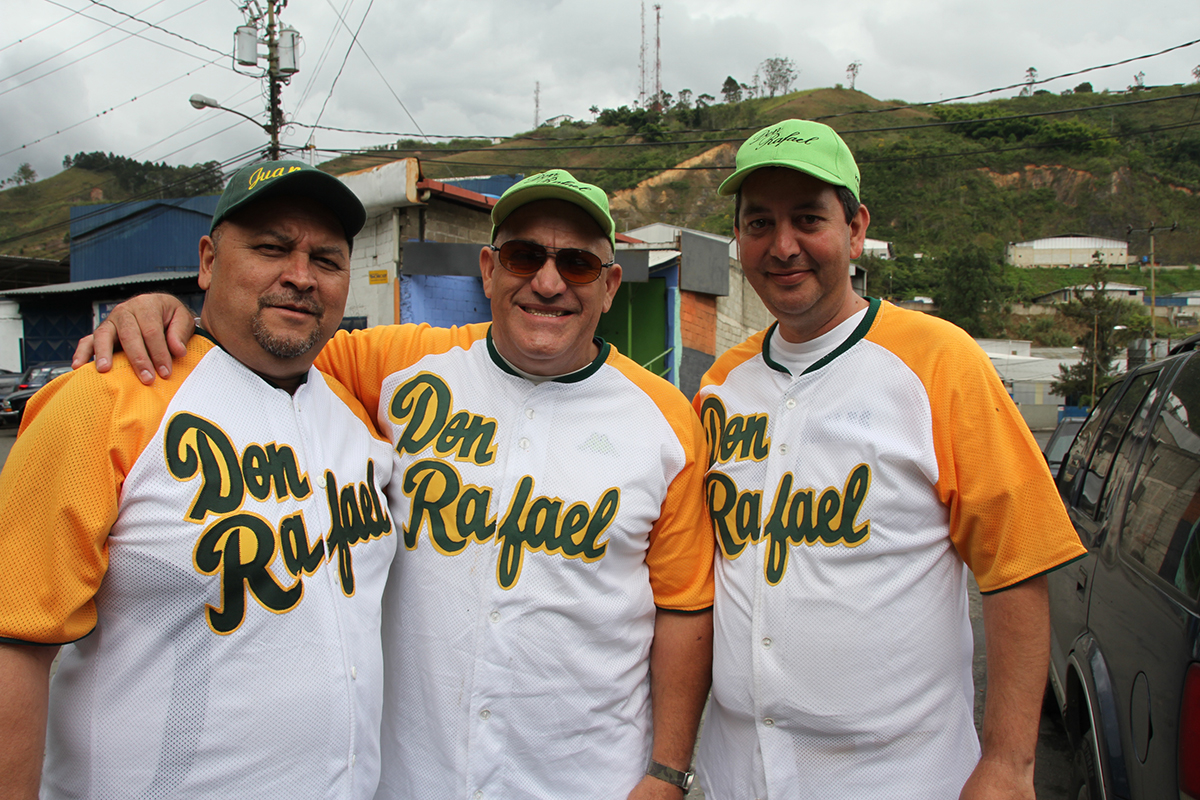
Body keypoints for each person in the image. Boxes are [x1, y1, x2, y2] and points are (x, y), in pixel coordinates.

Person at [74, 169, 715, 800]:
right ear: (489, 270)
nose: (547, 283)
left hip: (586, 778)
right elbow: (264, 336)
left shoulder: (665, 420)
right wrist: (167, 317)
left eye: (576, 264)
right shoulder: (396, 365)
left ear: (608, 286)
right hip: (409, 778)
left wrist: (666, 773)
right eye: (524, 256)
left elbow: (684, 607)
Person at [692, 119, 1087, 799]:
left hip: (903, 779)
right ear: (738, 239)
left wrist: (1010, 763)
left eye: (808, 219)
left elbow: (1017, 565)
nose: (782, 246)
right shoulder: (719, 385)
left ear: (854, 229)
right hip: (737, 774)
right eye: (759, 223)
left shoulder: (941, 361)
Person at [0, 160, 399, 799]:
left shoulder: (357, 413)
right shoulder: (106, 399)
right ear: (208, 261)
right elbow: (13, 643)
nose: (300, 276)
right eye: (271, 248)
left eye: (327, 260)